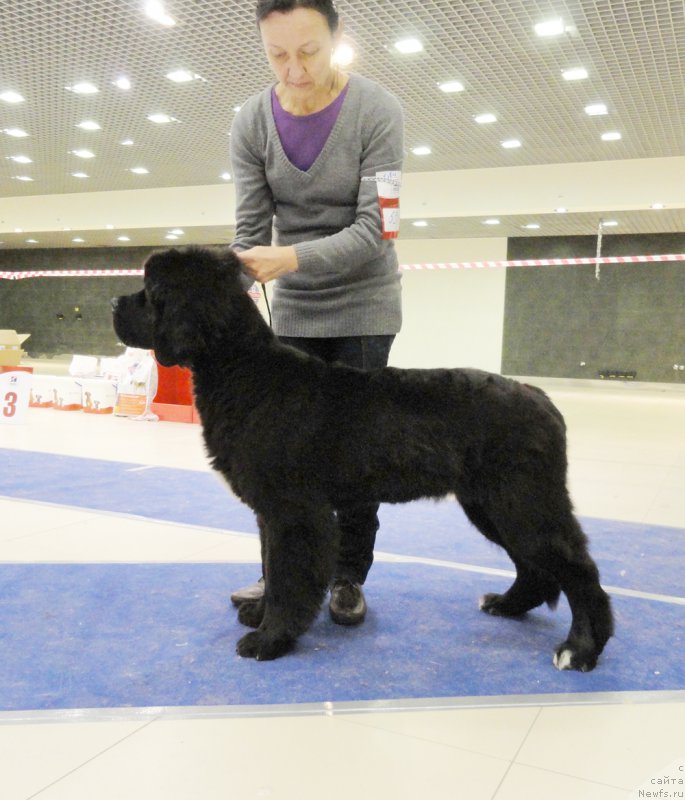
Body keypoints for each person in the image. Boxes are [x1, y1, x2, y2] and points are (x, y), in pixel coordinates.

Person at [228, 0, 404, 626]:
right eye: (277, 55)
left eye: (308, 52)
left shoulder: (378, 110)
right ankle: (281, 572)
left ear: (336, 37)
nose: (294, 70)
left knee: (355, 457)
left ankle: (348, 576)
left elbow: (379, 230)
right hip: (294, 314)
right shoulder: (251, 122)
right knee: (278, 460)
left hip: (365, 309)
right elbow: (249, 235)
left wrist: (291, 258)